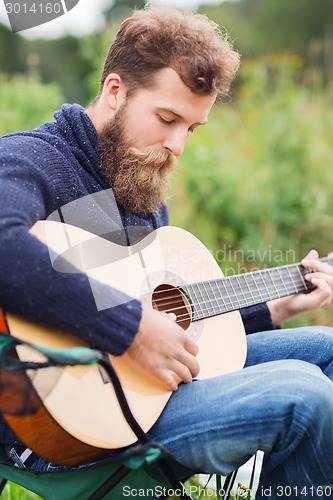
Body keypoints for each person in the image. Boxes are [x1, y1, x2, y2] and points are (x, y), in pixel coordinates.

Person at [0, 4, 333, 497]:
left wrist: (275, 308)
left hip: (144, 393)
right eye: (167, 118)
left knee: (325, 353)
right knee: (304, 398)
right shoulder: (33, 159)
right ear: (115, 91)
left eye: (192, 129)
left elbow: (176, 327)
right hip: (50, 419)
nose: (178, 145)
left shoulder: (140, 183)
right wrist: (130, 328)